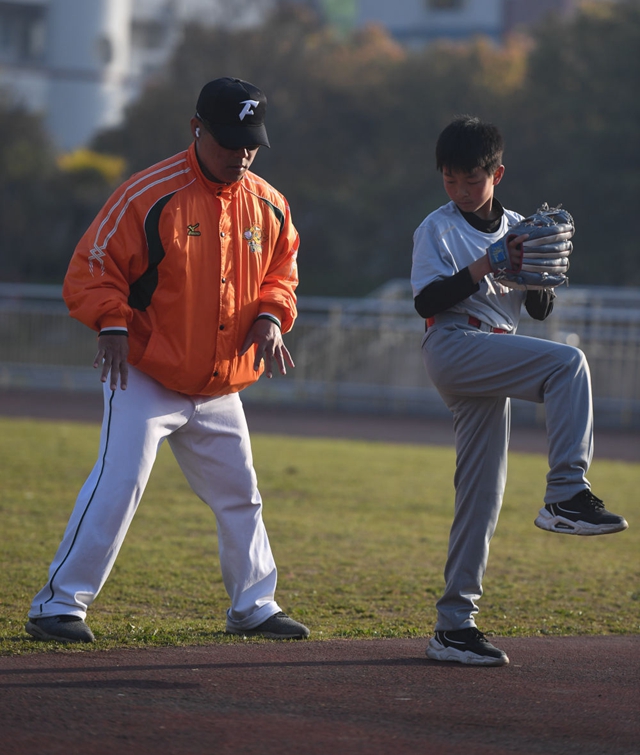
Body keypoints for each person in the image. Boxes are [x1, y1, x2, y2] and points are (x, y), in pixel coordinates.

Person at [26, 77, 309, 643]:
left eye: (250, 142)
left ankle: (254, 606)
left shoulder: (269, 204)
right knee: (119, 482)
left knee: (240, 493)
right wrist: (109, 322)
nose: (242, 154)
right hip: (145, 372)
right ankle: (57, 607)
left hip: (220, 382)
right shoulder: (148, 194)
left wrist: (272, 316)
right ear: (196, 129)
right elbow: (92, 267)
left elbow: (284, 273)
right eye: (230, 141)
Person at [411, 115, 628, 667]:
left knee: (481, 495)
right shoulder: (435, 228)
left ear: (497, 174)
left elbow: (535, 309)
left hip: (494, 352)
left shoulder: (518, 226)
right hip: (454, 345)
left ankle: (453, 626)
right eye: (450, 179)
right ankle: (565, 493)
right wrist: (490, 263)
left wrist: (539, 276)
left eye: (471, 179)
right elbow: (427, 302)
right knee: (568, 365)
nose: (459, 189)